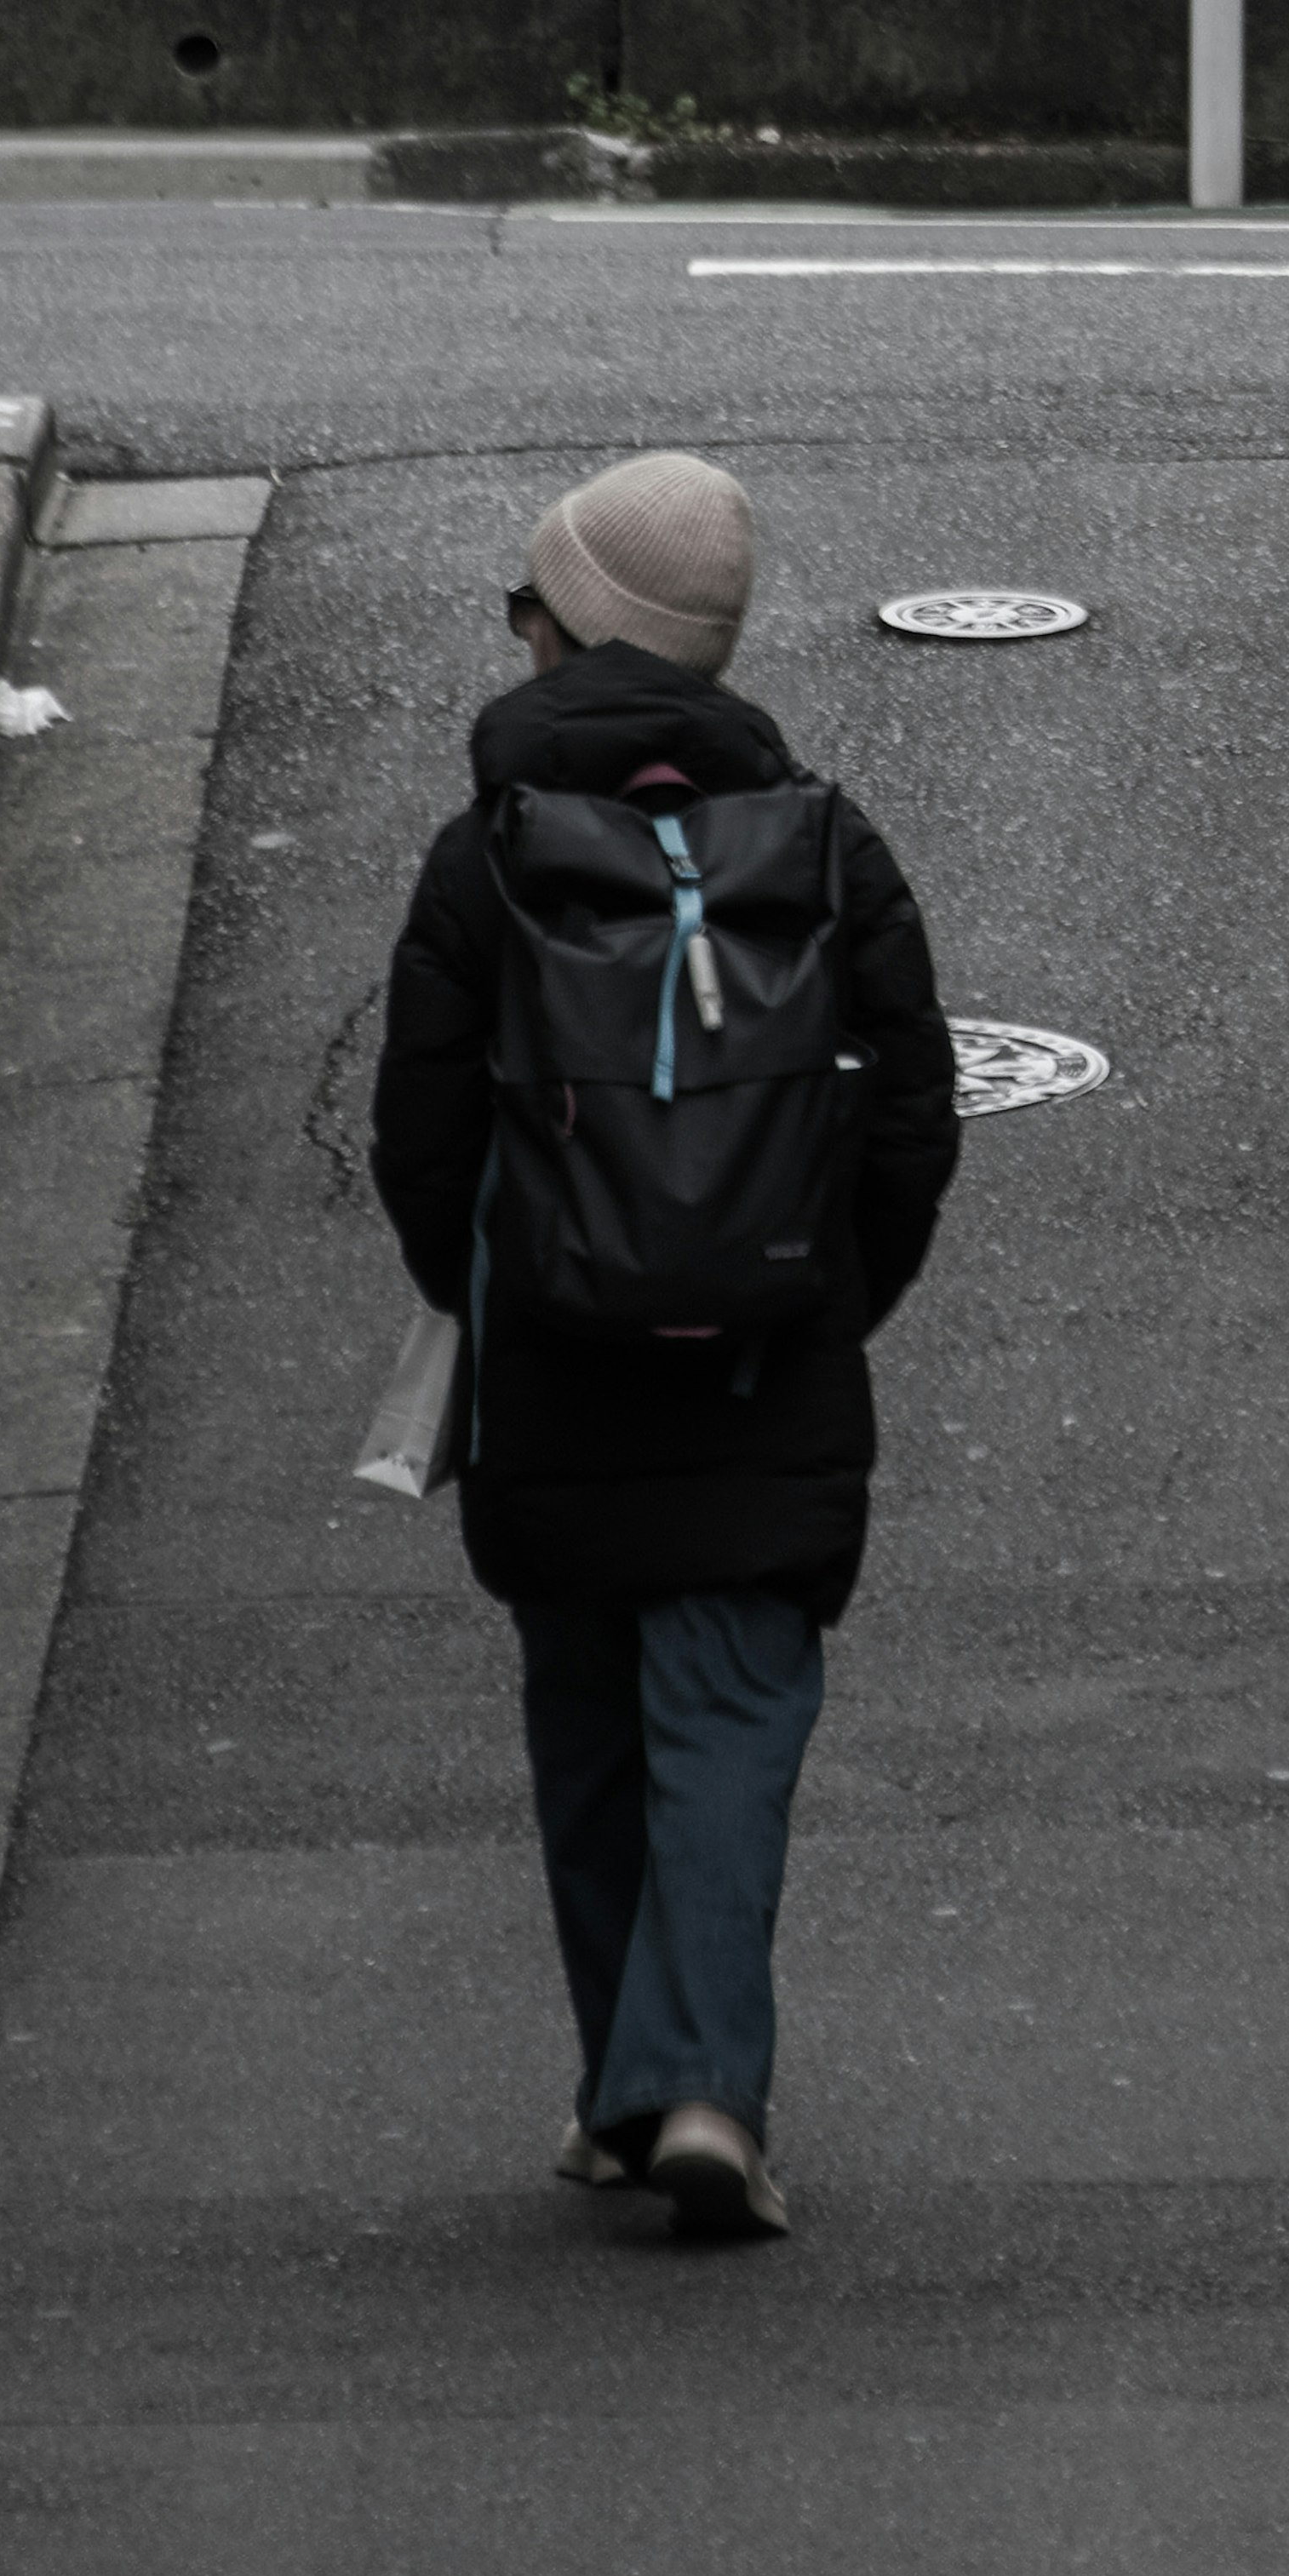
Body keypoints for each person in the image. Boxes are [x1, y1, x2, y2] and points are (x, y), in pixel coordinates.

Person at [370, 450, 957, 2244]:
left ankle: (629, 2098)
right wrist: (814, 1295)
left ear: (572, 632)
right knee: (726, 1729)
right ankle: (702, 2080)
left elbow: (416, 1136)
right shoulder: (826, 844)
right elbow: (917, 1118)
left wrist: (510, 1284)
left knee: (589, 1723)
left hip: (555, 1373)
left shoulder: (489, 859)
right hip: (762, 1377)